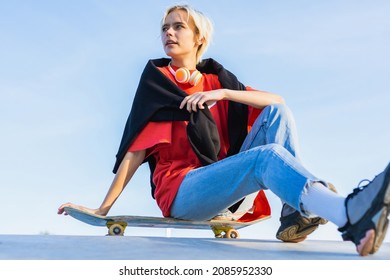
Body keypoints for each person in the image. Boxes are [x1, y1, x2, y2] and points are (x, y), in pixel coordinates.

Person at [58, 4, 390, 256]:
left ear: (198, 38)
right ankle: (347, 214)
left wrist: (225, 93)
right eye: (164, 28)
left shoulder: (216, 80)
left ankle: (296, 212)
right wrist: (104, 208)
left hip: (228, 186)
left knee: (277, 111)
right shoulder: (158, 85)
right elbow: (136, 150)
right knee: (266, 158)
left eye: (178, 27)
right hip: (183, 192)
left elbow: (276, 100)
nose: (168, 34)